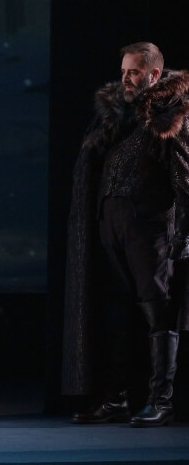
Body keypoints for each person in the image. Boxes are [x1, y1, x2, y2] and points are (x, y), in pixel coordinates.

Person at [64, 42, 189, 428]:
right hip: (111, 224)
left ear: (153, 74)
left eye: (133, 71)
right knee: (115, 312)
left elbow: (185, 179)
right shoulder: (117, 116)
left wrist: (182, 236)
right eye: (123, 71)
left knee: (157, 313)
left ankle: (160, 401)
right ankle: (117, 397)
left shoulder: (169, 114)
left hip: (150, 227)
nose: (125, 79)